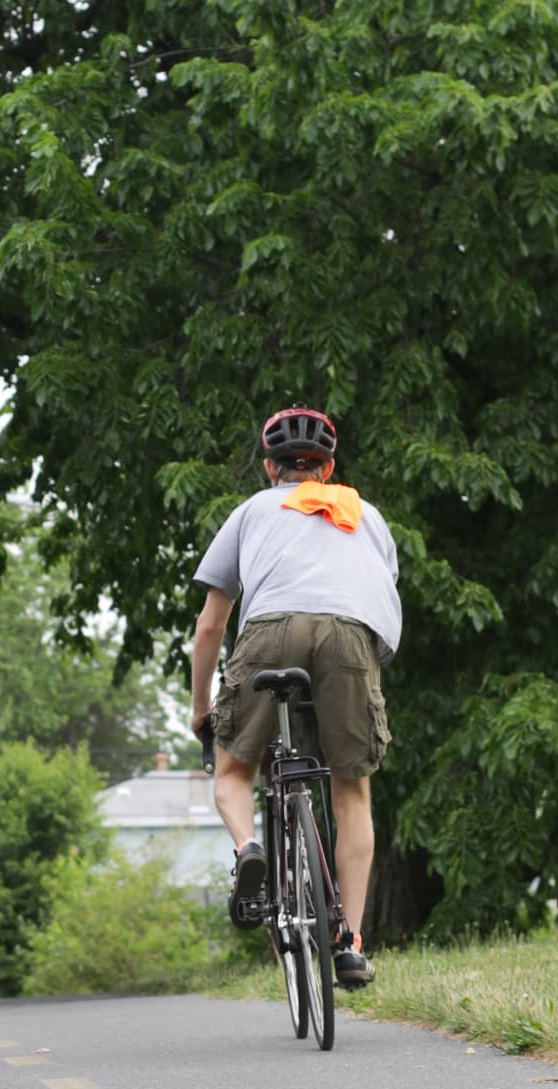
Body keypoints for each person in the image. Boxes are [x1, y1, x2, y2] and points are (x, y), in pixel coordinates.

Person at [188, 405, 400, 987]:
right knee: (352, 791)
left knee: (233, 772)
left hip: (271, 627)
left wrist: (203, 712)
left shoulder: (252, 511)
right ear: (328, 468)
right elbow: (374, 594)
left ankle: (250, 848)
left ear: (268, 467)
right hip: (352, 635)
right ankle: (351, 942)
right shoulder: (366, 516)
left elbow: (210, 627)